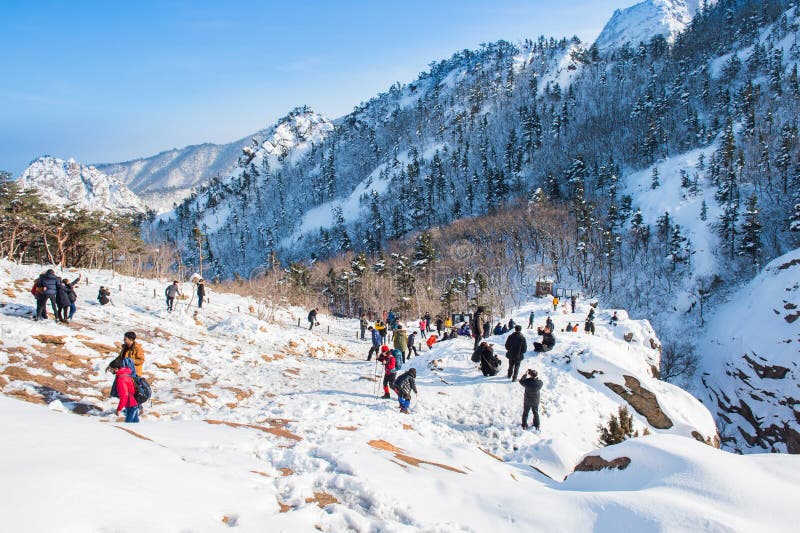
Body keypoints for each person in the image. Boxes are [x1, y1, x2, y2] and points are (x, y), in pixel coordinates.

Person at [107, 358, 139, 423]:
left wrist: (119, 409)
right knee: (135, 426)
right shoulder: (126, 374)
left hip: (131, 406)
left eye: (111, 369)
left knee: (129, 426)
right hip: (133, 404)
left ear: (116, 369)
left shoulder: (121, 379)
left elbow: (124, 396)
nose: (110, 370)